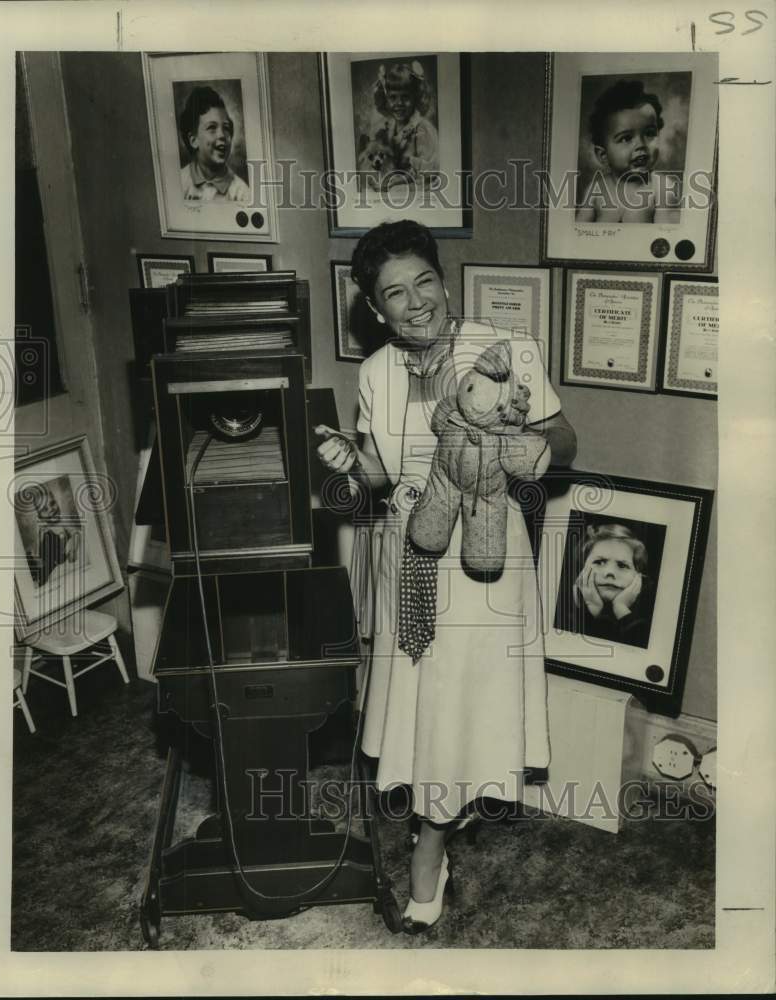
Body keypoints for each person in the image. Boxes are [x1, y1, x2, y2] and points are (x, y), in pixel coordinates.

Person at [315, 220, 577, 934]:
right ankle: (438, 819)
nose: (416, 302)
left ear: (444, 277)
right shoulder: (374, 373)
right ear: (375, 308)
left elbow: (564, 437)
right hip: (413, 550)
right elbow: (380, 472)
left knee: (464, 709)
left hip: (487, 559)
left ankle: (430, 844)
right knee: (427, 710)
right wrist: (350, 464)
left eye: (424, 281)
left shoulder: (502, 347)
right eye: (394, 293)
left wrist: (532, 446)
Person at [575, 79, 681, 224]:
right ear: (603, 155)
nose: (641, 145)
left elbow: (666, 237)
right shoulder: (596, 189)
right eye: (626, 138)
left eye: (649, 133)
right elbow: (578, 233)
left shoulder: (662, 188)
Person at [569, 522, 654, 649]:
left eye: (622, 565)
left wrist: (621, 608)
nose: (610, 572)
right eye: (599, 562)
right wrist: (591, 609)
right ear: (582, 571)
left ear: (638, 577)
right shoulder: (565, 618)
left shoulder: (650, 628)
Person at [368, 61, 439, 184]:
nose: (399, 103)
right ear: (386, 99)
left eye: (405, 97)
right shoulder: (387, 128)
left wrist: (396, 182)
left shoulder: (422, 129)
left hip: (417, 194)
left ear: (415, 98)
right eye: (393, 97)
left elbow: (429, 173)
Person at [177, 85, 251, 204]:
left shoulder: (241, 192)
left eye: (226, 128)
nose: (222, 135)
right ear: (193, 140)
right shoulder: (179, 182)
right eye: (212, 127)